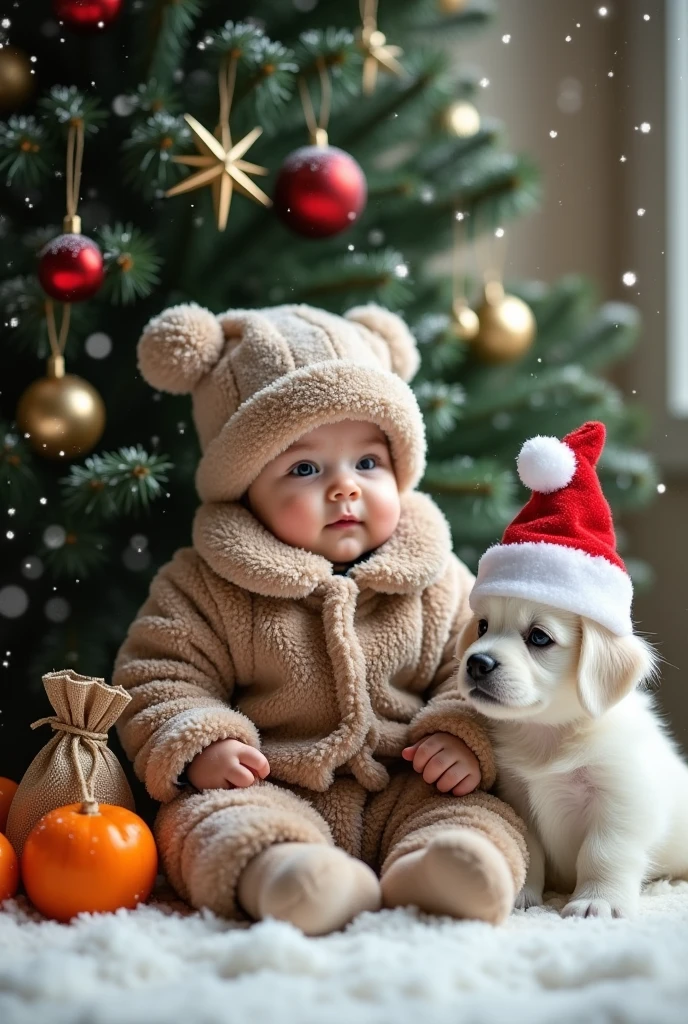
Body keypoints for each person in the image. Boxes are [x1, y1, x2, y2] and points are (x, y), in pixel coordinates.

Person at [113, 302, 527, 936]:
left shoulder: (438, 579)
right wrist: (202, 738)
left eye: (368, 463)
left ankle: (440, 871)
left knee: (478, 814)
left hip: (405, 778)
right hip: (269, 779)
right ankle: (286, 875)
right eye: (305, 468)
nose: (345, 488)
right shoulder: (204, 582)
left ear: (399, 466)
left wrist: (455, 733)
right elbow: (157, 672)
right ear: (245, 486)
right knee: (207, 822)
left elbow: (470, 664)